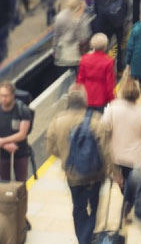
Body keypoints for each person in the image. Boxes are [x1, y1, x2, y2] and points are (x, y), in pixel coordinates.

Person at [47, 85, 112, 244]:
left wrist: (65, 156)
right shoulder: (96, 120)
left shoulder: (57, 121)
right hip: (95, 175)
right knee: (95, 207)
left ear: (68, 101)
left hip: (73, 174)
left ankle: (82, 239)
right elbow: (105, 151)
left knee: (78, 208)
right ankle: (87, 238)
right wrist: (109, 171)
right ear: (85, 101)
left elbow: (51, 149)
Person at [102, 77, 141, 194]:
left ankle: (125, 194)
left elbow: (103, 127)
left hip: (116, 156)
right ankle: (130, 198)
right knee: (133, 181)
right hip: (135, 157)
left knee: (122, 180)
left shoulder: (113, 108)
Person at [0, 81, 33, 182]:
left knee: (21, 184)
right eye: (1, 96)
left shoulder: (23, 111)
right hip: (2, 153)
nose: (3, 99)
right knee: (4, 183)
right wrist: (5, 145)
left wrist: (1, 142)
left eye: (6, 96)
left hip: (21, 152)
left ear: (13, 95)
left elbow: (22, 134)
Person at [92, 0, 127, 73]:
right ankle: (120, 67)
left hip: (103, 23)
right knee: (120, 45)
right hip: (117, 23)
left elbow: (95, 7)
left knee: (103, 48)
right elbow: (124, 5)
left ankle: (102, 69)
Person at [53, 0, 92, 76]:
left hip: (63, 58)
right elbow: (84, 38)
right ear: (81, 4)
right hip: (77, 59)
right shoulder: (83, 18)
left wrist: (56, 54)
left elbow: (56, 37)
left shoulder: (60, 16)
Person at [77, 33, 115, 112]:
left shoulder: (84, 59)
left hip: (86, 96)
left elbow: (80, 79)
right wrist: (112, 99)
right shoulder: (108, 61)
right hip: (101, 97)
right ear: (105, 47)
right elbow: (110, 83)